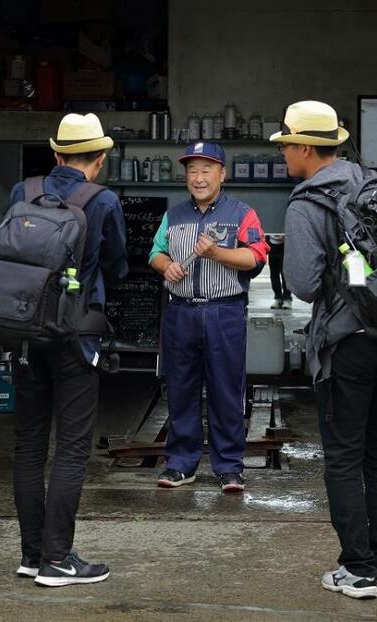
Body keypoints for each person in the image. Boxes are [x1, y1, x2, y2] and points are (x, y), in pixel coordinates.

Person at [275, 100, 377, 600]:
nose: (284, 153)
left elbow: (304, 285)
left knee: (342, 456)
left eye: (287, 144)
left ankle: (356, 570)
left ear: (309, 148)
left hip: (349, 343)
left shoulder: (306, 203)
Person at [7, 113, 127, 586]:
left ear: (56, 154)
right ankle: (59, 559)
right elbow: (117, 266)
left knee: (29, 445)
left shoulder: (23, 191)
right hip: (77, 332)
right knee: (72, 447)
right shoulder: (103, 200)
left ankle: (31, 555)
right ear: (98, 159)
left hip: (24, 328)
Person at [148, 141, 269, 493]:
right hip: (181, 312)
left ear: (222, 174)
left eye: (206, 170)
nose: (198, 178)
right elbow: (155, 252)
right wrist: (166, 265)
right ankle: (180, 464)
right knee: (181, 389)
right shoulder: (173, 216)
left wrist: (217, 252)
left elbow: (256, 258)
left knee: (225, 391)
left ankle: (229, 467)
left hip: (224, 311)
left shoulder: (242, 214)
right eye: (192, 171)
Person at [266, 233, 292, 309]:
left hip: (285, 245)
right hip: (272, 245)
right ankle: (278, 297)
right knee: (274, 274)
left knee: (285, 274)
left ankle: (287, 298)